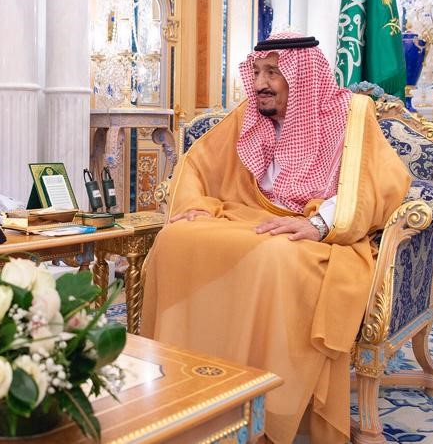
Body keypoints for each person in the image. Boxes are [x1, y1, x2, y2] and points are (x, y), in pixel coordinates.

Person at [141, 31, 411, 444]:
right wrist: (194, 204)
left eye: (272, 72)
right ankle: (184, 385)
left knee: (273, 256)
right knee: (176, 238)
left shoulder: (350, 115)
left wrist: (320, 224)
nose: (260, 83)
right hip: (250, 217)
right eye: (257, 71)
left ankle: (264, 405)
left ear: (301, 75)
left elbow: (381, 184)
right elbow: (198, 164)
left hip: (319, 236)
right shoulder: (250, 114)